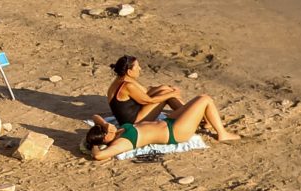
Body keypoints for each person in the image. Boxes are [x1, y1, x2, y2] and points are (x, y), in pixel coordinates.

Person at [82, 93, 236, 158]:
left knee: (195, 102)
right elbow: (98, 155)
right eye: (106, 129)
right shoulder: (122, 142)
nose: (110, 126)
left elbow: (95, 117)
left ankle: (208, 123)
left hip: (168, 123)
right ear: (106, 139)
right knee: (204, 99)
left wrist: (103, 124)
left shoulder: (115, 132)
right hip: (175, 132)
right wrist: (95, 145)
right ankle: (222, 134)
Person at [107, 56, 184, 125]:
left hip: (132, 115)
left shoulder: (122, 79)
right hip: (134, 122)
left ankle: (189, 113)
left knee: (165, 90)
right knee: (167, 94)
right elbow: (149, 100)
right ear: (129, 72)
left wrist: (163, 87)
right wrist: (172, 94)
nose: (140, 69)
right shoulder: (128, 86)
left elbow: (145, 92)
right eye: (137, 67)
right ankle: (190, 115)